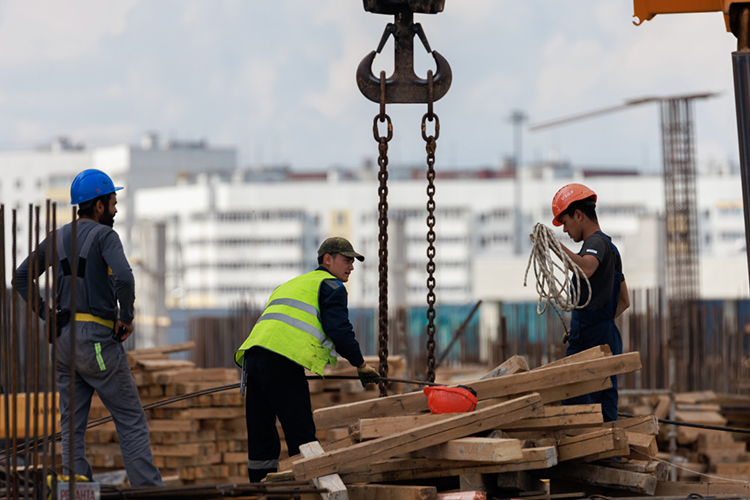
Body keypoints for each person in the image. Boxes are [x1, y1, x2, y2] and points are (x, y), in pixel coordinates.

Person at [14, 169, 163, 486]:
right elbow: (124, 276)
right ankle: (149, 491)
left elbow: (21, 277)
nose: (115, 208)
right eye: (112, 202)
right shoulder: (105, 236)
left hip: (64, 342)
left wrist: (45, 312)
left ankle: (76, 486)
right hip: (96, 340)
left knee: (71, 423)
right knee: (130, 419)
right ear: (98, 206)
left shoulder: (57, 238)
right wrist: (126, 316)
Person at [235, 237, 379, 482]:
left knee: (261, 438)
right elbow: (340, 331)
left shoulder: (291, 285)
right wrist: (361, 365)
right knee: (301, 435)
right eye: (347, 260)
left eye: (353, 262)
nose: (351, 267)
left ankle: (259, 490)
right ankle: (310, 490)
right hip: (282, 362)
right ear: (327, 260)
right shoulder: (331, 285)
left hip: (253, 360)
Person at [551, 183, 630, 422]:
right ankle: (611, 458)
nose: (564, 230)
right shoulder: (612, 250)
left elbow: (586, 267)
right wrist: (602, 322)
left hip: (589, 340)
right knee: (605, 411)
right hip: (606, 336)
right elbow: (625, 301)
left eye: (565, 222)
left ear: (579, 215)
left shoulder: (595, 244)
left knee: (578, 413)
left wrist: (554, 247)